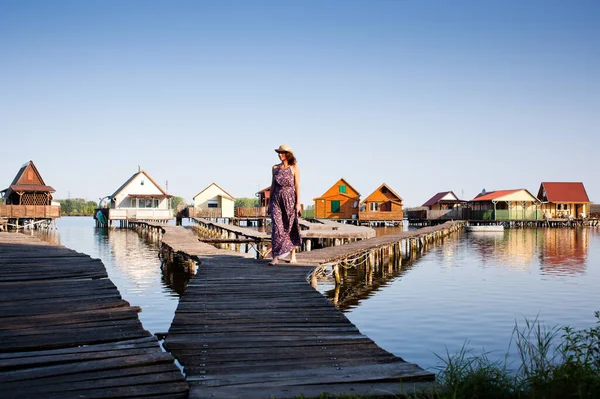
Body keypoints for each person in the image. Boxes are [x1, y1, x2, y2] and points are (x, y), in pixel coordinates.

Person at [268, 144, 302, 265]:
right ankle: (275, 257)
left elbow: (297, 186)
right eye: (279, 152)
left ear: (288, 154)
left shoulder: (294, 168)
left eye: (282, 152)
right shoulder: (275, 168)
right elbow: (273, 185)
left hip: (290, 200)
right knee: (277, 228)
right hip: (276, 199)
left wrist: (298, 203)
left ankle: (293, 255)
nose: (280, 155)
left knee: (290, 226)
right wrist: (269, 202)